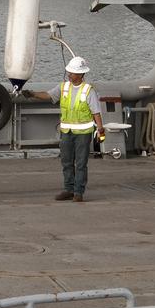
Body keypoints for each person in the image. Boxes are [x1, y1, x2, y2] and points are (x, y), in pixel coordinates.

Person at [24, 56, 106, 202]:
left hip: (83, 134)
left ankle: (78, 192)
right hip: (67, 132)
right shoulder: (64, 87)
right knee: (66, 161)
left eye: (73, 72)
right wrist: (33, 94)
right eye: (69, 71)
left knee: (80, 163)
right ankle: (69, 189)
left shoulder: (88, 90)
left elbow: (96, 112)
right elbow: (49, 95)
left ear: (81, 75)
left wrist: (100, 130)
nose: (69, 74)